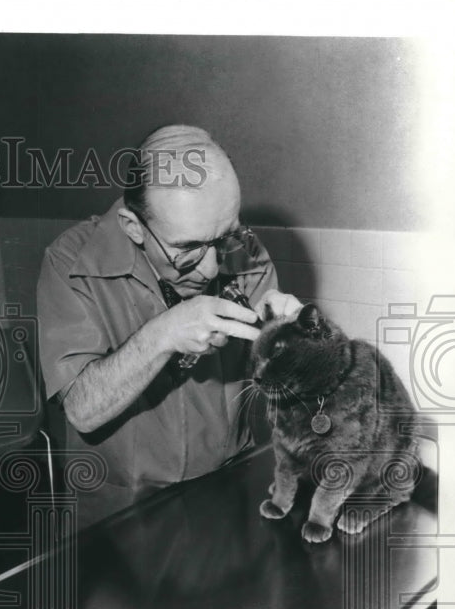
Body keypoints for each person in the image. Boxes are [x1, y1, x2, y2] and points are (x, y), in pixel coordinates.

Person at [37, 125, 300, 511]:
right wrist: (164, 334)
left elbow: (285, 385)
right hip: (121, 509)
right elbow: (82, 411)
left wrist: (292, 339)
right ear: (133, 227)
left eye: (223, 237)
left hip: (226, 489)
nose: (211, 269)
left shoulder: (244, 251)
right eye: (187, 250)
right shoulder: (68, 263)